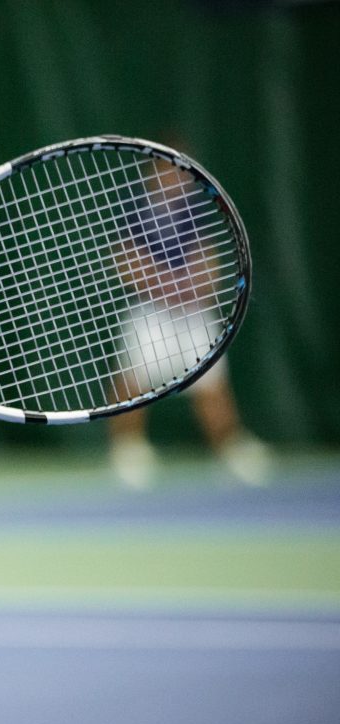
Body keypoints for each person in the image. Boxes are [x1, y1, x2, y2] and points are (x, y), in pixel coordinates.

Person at [108, 143, 271, 489]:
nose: (175, 176)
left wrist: (192, 286)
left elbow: (208, 262)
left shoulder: (193, 210)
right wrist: (158, 283)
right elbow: (125, 259)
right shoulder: (136, 210)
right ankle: (128, 451)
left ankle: (229, 447)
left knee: (211, 384)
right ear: (154, 172)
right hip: (150, 311)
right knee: (133, 381)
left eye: (180, 169)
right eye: (168, 169)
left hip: (191, 311)